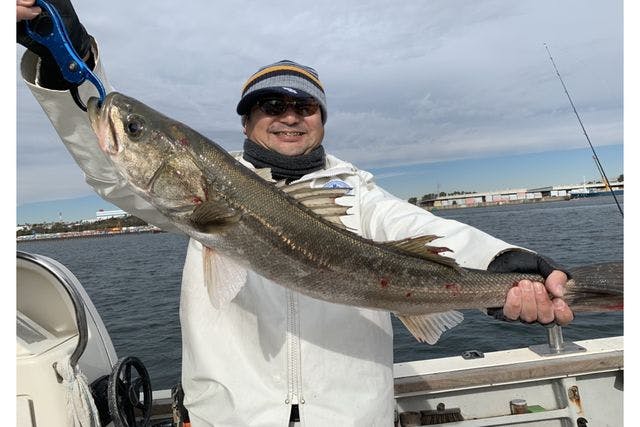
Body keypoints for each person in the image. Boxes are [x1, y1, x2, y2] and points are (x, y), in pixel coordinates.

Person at [17, 1, 573, 425]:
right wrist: (65, 67)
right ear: (246, 122)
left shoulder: (359, 196)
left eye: (303, 106)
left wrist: (506, 264)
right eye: (270, 106)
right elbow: (109, 166)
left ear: (322, 120)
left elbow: (425, 231)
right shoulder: (195, 201)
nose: (288, 117)